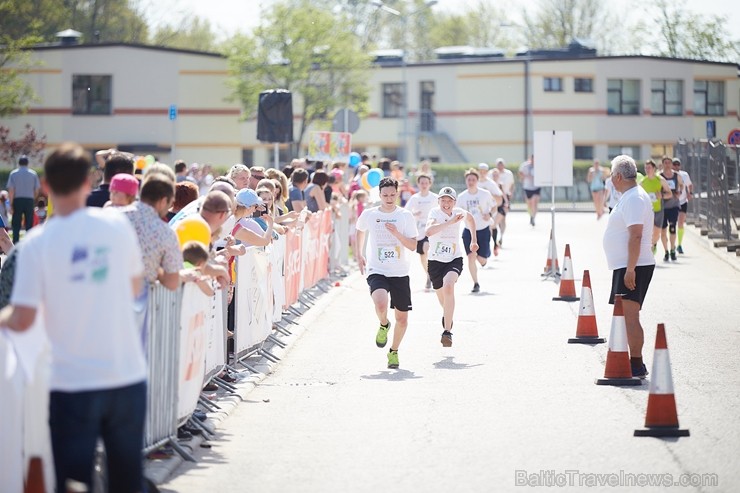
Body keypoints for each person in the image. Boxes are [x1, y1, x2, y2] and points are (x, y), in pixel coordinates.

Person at [0, 142, 147, 492]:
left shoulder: (37, 244)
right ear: (88, 182)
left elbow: (22, 318)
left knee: (73, 481)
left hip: (71, 382)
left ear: (45, 187)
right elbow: (134, 287)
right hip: (126, 375)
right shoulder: (117, 228)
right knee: (128, 480)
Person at [355, 177, 418, 369]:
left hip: (399, 272)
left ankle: (394, 351)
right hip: (377, 269)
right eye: (385, 195)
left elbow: (413, 245)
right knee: (380, 303)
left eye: (392, 195)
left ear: (397, 194)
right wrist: (359, 254)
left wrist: (397, 234)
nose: (389, 198)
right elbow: (359, 230)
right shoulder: (370, 214)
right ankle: (383, 324)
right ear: (379, 195)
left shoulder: (405, 215)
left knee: (402, 318)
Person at [602, 155, 655, 379]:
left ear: (619, 176)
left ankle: (637, 364)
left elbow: (635, 235)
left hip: (633, 265)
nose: (611, 181)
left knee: (631, 316)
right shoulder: (630, 196)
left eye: (612, 176)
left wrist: (631, 269)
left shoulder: (634, 198)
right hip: (628, 264)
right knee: (626, 315)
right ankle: (632, 361)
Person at [424, 187, 477, 347]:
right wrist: (449, 223)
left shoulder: (459, 212)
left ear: (455, 202)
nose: (446, 204)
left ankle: (447, 332)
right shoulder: (434, 213)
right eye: (443, 200)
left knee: (449, 286)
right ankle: (448, 316)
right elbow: (428, 231)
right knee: (442, 298)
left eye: (449, 201)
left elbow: (471, 219)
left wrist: (473, 240)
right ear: (438, 201)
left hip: (454, 258)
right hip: (435, 261)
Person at [457, 168, 496, 293]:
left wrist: (489, 214)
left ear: (477, 181)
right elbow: (458, 212)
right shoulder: (462, 196)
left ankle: (484, 259)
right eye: (469, 179)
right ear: (466, 181)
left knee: (482, 259)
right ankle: (476, 283)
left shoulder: (485, 194)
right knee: (470, 257)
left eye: (473, 179)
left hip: (483, 229)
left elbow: (494, 206)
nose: (471, 182)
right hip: (468, 230)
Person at [404, 173, 438, 290]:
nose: (424, 185)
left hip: (431, 229)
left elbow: (442, 210)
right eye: (421, 183)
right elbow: (406, 212)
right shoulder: (415, 198)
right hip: (418, 230)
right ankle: (428, 275)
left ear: (430, 184)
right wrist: (414, 214)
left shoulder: (435, 197)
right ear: (418, 184)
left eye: (426, 183)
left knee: (426, 247)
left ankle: (432, 274)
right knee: (423, 255)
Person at [639, 160, 671, 255]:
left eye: (649, 168)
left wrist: (662, 196)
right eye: (646, 168)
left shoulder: (660, 180)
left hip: (658, 210)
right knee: (648, 232)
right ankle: (649, 251)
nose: (647, 170)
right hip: (648, 211)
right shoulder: (642, 182)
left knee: (657, 234)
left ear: (654, 169)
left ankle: (654, 244)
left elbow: (670, 194)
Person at [7, 154, 41, 242]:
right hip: (29, 200)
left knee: (16, 223)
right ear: (27, 163)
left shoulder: (13, 174)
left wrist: (11, 203)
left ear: (19, 163)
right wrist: (33, 198)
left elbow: (11, 190)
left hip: (17, 200)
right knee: (29, 223)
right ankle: (28, 243)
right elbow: (37, 189)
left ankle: (15, 243)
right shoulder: (33, 174)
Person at [659, 156, 684, 261]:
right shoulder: (659, 176)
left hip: (673, 205)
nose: (667, 164)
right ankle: (666, 251)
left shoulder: (676, 175)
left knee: (672, 228)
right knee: (663, 231)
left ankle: (673, 249)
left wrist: (680, 193)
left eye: (669, 162)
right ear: (663, 164)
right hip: (662, 206)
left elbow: (682, 185)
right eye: (665, 162)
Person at [476, 163, 504, 255]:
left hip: (489, 210)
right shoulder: (475, 182)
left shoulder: (491, 183)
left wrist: (488, 196)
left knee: (491, 227)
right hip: (477, 211)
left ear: (487, 172)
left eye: (484, 171)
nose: (482, 173)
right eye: (481, 171)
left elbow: (499, 198)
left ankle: (494, 245)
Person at [672, 158, 693, 254]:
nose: (676, 166)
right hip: (672, 202)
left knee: (680, 223)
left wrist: (690, 193)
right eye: (674, 164)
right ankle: (672, 245)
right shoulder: (669, 175)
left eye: (678, 164)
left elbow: (690, 185)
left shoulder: (684, 174)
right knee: (672, 224)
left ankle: (679, 244)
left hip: (683, 201)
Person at [495, 158, 514, 244]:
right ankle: (496, 235)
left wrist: (510, 194)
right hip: (495, 199)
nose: (500, 166)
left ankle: (501, 236)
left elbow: (512, 184)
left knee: (503, 218)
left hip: (506, 197)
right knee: (496, 218)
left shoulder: (508, 173)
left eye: (501, 164)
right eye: (499, 164)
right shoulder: (493, 173)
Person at [518, 155, 539, 226]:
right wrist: (527, 176)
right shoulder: (525, 165)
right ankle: (531, 215)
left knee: (534, 202)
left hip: (536, 187)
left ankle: (533, 217)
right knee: (529, 204)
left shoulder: (539, 166)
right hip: (527, 187)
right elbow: (520, 174)